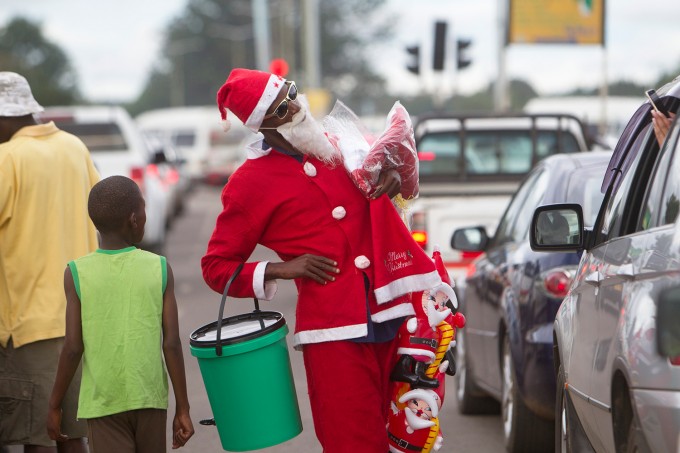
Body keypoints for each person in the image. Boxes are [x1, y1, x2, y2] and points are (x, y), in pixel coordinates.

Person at [202, 68, 439, 452]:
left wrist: (395, 174)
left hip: (392, 315)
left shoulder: (340, 143)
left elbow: (403, 191)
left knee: (406, 434)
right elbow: (216, 267)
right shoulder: (248, 184)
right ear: (264, 124)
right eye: (283, 106)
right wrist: (282, 268)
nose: (296, 105)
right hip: (332, 331)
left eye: (292, 93)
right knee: (352, 442)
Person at [47, 176, 194, 452]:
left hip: (104, 403)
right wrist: (183, 408)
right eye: (144, 209)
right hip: (149, 397)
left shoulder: (77, 273)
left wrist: (55, 405)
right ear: (134, 220)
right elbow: (171, 344)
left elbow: (72, 347)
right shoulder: (159, 268)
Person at [0, 72, 99, 452]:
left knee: (37, 437)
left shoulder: (9, 158)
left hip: (28, 328)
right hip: (79, 321)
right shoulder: (74, 148)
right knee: (72, 437)